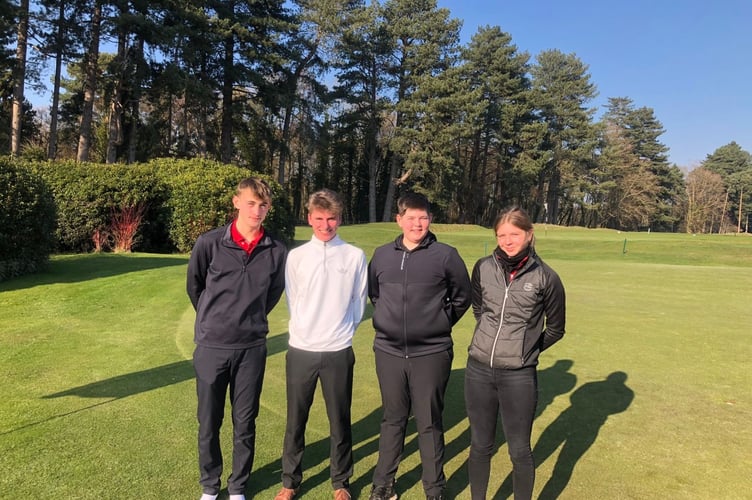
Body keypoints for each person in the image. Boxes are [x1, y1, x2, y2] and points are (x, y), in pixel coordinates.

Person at [186, 177, 288, 500]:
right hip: (212, 346)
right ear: (236, 202)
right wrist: (212, 318)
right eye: (250, 203)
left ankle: (238, 487)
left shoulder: (276, 250)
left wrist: (250, 319)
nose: (256, 210)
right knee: (209, 421)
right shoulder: (209, 243)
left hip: (251, 348)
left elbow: (272, 294)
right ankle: (209, 486)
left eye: (262, 205)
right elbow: (196, 286)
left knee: (245, 423)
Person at [367, 192, 472, 500]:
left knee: (429, 422)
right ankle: (383, 485)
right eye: (410, 217)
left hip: (431, 352)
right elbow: (375, 295)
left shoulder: (446, 255)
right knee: (393, 419)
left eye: (423, 217)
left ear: (430, 219)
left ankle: (434, 489)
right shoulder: (382, 255)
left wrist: (438, 321)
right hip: (388, 352)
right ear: (399, 219)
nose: (417, 223)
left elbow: (462, 297)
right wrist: (390, 324)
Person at [464, 206, 566, 500]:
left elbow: (556, 329)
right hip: (479, 370)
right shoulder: (483, 267)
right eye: (501, 235)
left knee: (519, 449)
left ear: (529, 234)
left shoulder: (547, 277)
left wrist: (525, 351)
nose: (507, 241)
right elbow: (479, 309)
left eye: (514, 234)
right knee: (481, 444)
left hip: (519, 376)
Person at [274, 189, 368, 500]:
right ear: (310, 218)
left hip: (338, 350)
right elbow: (293, 299)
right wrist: (306, 330)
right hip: (301, 349)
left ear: (339, 219)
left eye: (331, 219)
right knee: (295, 420)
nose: (325, 225)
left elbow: (358, 302)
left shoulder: (354, 256)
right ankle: (290, 481)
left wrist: (342, 332)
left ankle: (341, 482)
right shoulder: (297, 256)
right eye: (319, 219)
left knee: (339, 419)